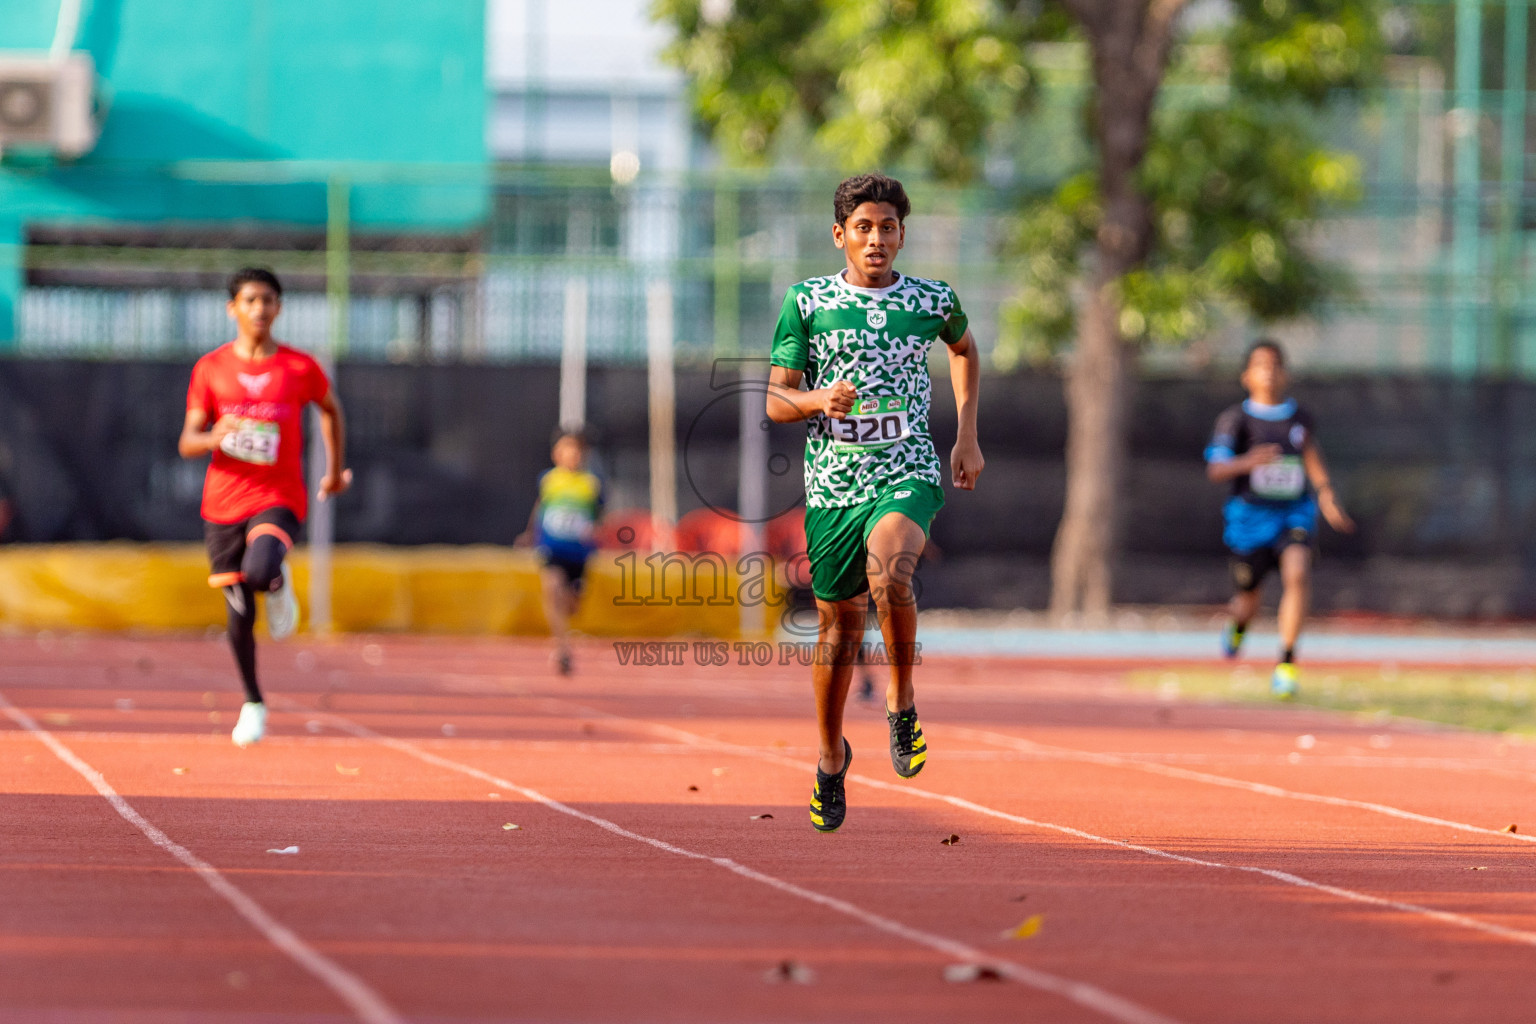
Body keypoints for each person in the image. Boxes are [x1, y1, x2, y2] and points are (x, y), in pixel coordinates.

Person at [767, 173, 983, 832]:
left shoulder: (933, 299)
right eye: (863, 227)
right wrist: (815, 399)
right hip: (833, 485)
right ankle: (831, 758)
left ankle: (901, 700)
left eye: (888, 227)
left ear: (902, 235)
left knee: (892, 572)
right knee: (838, 627)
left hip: (907, 469)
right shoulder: (807, 302)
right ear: (840, 235)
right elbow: (777, 399)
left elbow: (965, 349)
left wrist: (967, 434)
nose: (876, 239)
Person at [179, 267, 351, 747]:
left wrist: (334, 471)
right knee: (238, 614)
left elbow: (331, 410)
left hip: (278, 496)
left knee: (259, 572)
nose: (260, 309)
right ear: (232, 308)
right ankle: (253, 701)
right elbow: (187, 441)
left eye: (269, 300)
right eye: (251, 299)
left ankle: (275, 580)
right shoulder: (211, 369)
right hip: (223, 502)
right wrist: (215, 434)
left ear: (279, 308)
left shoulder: (299, 367)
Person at [1205, 339, 1354, 699]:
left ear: (1284, 374)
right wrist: (1248, 462)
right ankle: (1238, 625)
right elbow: (1216, 468)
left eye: (1275, 366)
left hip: (1293, 513)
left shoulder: (1299, 418)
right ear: (1247, 375)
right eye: (1260, 366)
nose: (1268, 373)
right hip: (1250, 519)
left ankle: (1286, 662)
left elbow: (1310, 453)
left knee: (1298, 572)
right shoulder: (1235, 421)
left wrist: (1326, 492)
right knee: (1248, 599)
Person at [517, 430, 604, 675]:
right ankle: (562, 648)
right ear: (557, 454)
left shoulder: (591, 484)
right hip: (552, 548)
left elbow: (599, 515)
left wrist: (596, 531)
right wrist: (530, 534)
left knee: (571, 605)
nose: (572, 455)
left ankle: (564, 630)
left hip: (578, 553)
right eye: (567, 449)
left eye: (577, 450)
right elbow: (541, 507)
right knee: (552, 588)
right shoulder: (549, 480)